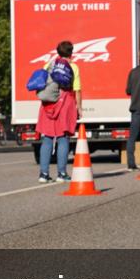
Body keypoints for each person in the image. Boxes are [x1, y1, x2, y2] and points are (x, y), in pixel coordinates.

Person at [36, 41, 81, 183]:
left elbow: (41, 84)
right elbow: (76, 89)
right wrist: (79, 107)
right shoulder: (73, 67)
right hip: (65, 102)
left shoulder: (48, 65)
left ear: (58, 52)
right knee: (63, 138)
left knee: (48, 138)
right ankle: (61, 173)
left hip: (48, 104)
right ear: (71, 52)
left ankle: (43, 174)